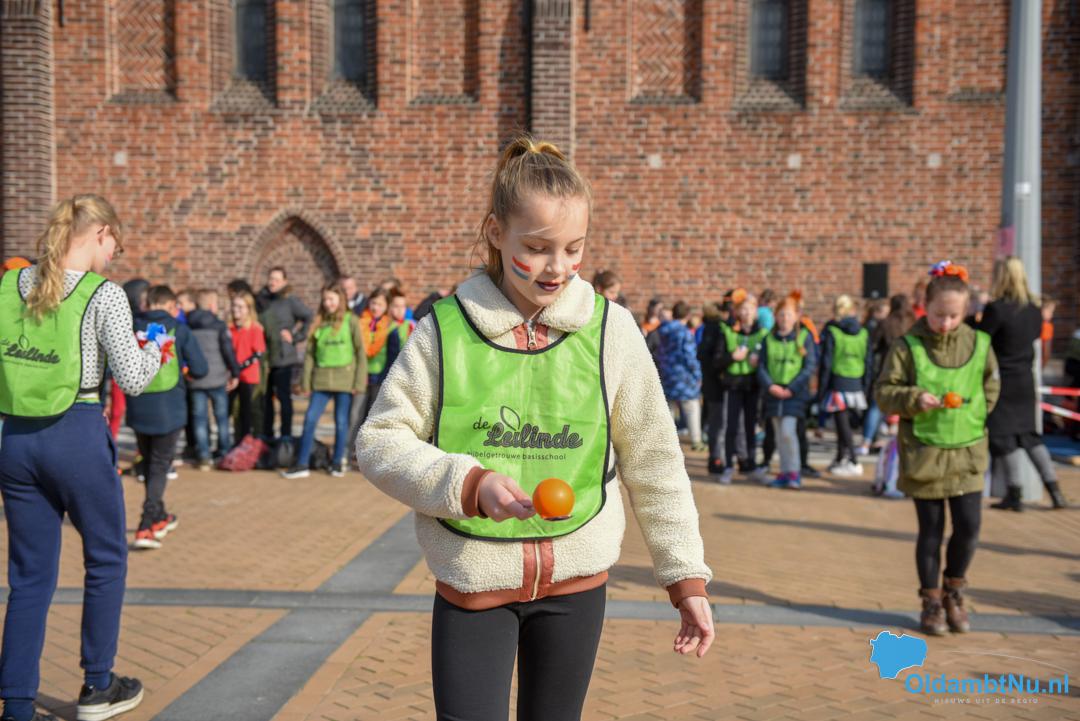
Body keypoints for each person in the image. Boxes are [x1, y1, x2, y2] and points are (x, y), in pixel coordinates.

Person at [355, 136, 714, 721]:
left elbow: (655, 460)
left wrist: (686, 579)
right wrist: (468, 484)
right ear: (496, 234)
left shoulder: (612, 330)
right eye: (539, 248)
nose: (559, 267)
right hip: (473, 584)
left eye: (575, 248)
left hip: (577, 586)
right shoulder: (444, 331)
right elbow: (379, 441)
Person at [0, 195, 162, 721]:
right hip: (76, 431)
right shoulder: (103, 294)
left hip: (16, 437)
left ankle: (17, 703)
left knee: (28, 577)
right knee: (106, 557)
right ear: (99, 233)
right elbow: (132, 378)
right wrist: (155, 349)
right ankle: (98, 683)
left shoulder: (10, 285)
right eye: (116, 244)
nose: (114, 255)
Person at [876, 260, 1000, 636]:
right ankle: (930, 602)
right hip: (924, 453)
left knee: (969, 528)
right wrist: (913, 398)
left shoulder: (979, 343)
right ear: (924, 307)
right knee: (931, 532)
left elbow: (990, 385)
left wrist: (975, 415)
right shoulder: (907, 346)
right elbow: (884, 392)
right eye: (938, 315)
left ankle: (953, 591)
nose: (945, 323)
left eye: (954, 316)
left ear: (966, 311)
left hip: (967, 452)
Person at [979, 257, 1067, 510]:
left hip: (1003, 379)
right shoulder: (1033, 310)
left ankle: (1015, 493)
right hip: (1025, 379)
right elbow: (1036, 335)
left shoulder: (997, 309)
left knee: (1003, 436)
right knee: (1029, 435)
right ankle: (1055, 490)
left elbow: (982, 338)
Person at [127, 285, 208, 549]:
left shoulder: (133, 328)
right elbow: (200, 368)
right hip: (169, 407)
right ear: (172, 306)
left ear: (147, 304)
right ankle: (146, 523)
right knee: (160, 465)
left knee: (150, 462)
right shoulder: (179, 329)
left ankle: (160, 515)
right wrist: (186, 373)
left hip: (139, 404)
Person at [283, 283, 366, 479]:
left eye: (332, 299)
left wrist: (359, 383)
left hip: (344, 380)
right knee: (310, 419)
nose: (328, 303)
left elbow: (360, 353)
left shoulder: (351, 321)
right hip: (320, 380)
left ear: (340, 300)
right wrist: (305, 381)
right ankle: (302, 463)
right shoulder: (319, 322)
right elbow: (309, 355)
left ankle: (337, 462)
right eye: (325, 299)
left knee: (341, 422)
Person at [757, 297, 818, 489]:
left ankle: (794, 472)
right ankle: (784, 471)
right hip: (774, 392)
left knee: (788, 432)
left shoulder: (804, 337)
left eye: (788, 314)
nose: (784, 318)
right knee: (777, 434)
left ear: (797, 316)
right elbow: (761, 366)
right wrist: (770, 386)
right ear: (775, 316)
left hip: (794, 393)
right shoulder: (768, 339)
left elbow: (809, 366)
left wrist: (792, 388)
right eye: (781, 314)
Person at [714, 291, 768, 483]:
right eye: (742, 309)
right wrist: (732, 357)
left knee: (750, 427)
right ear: (737, 311)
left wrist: (759, 362)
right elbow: (717, 360)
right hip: (733, 385)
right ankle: (729, 465)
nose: (746, 313)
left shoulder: (763, 333)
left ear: (755, 311)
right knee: (731, 426)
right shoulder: (728, 331)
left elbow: (768, 362)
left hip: (753, 385)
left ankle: (751, 465)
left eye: (749, 309)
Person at [256, 266, 313, 440]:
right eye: (271, 279)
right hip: (265, 357)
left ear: (284, 282)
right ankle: (267, 434)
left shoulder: (290, 300)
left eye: (277, 279)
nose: (272, 282)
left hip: (284, 357)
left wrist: (295, 336)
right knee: (265, 398)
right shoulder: (261, 300)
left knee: (283, 398)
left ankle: (285, 436)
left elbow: (309, 316)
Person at [187, 289, 241, 470]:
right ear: (212, 306)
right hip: (218, 378)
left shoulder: (188, 324)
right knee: (222, 417)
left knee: (200, 418)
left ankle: (204, 455)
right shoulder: (219, 325)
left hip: (196, 379)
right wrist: (235, 373)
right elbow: (228, 351)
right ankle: (224, 451)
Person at [818, 294, 872, 477]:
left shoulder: (833, 331)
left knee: (842, 425)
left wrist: (822, 389)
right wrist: (865, 386)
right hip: (856, 383)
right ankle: (840, 457)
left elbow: (826, 363)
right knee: (844, 423)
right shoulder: (863, 332)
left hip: (839, 382)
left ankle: (854, 460)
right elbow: (868, 362)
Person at [657, 301, 704, 451]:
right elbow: (689, 356)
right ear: (687, 315)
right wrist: (697, 375)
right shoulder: (685, 332)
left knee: (669, 408)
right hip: (684, 376)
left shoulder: (662, 330)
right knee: (691, 406)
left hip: (666, 373)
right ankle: (696, 440)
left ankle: (667, 442)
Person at [228, 291, 266, 444]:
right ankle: (237, 440)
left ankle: (248, 441)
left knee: (247, 410)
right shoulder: (229, 328)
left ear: (248, 309)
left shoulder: (255, 328)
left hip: (247, 376)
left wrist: (239, 367)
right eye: (234, 305)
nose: (236, 309)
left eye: (240, 306)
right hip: (232, 375)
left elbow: (258, 353)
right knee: (233, 410)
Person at [697, 301, 728, 478]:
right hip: (715, 384)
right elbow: (707, 356)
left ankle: (716, 458)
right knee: (718, 423)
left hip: (710, 383)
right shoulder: (715, 328)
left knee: (715, 422)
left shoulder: (707, 328)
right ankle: (716, 459)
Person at [858, 299, 890, 456]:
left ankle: (872, 439)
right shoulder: (876, 327)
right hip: (876, 371)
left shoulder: (868, 326)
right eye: (885, 312)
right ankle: (868, 440)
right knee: (875, 406)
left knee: (874, 406)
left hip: (872, 371)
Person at [358, 287, 394, 418]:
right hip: (361, 375)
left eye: (380, 305)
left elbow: (392, 353)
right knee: (357, 413)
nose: (375, 308)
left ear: (387, 306)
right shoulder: (361, 322)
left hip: (379, 376)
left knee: (372, 412)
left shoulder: (390, 326)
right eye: (373, 303)